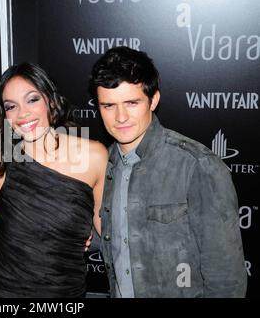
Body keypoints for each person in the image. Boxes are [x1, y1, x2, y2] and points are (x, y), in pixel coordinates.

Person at [90, 46, 247, 297]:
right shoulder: (101, 165)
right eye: (109, 105)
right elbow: (107, 241)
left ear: (153, 100)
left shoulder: (197, 165)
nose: (120, 116)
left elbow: (226, 278)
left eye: (131, 102)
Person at [0, 63, 108, 297]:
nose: (23, 114)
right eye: (11, 106)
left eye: (32, 100)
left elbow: (111, 234)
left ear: (50, 99)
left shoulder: (94, 156)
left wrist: (80, 232)